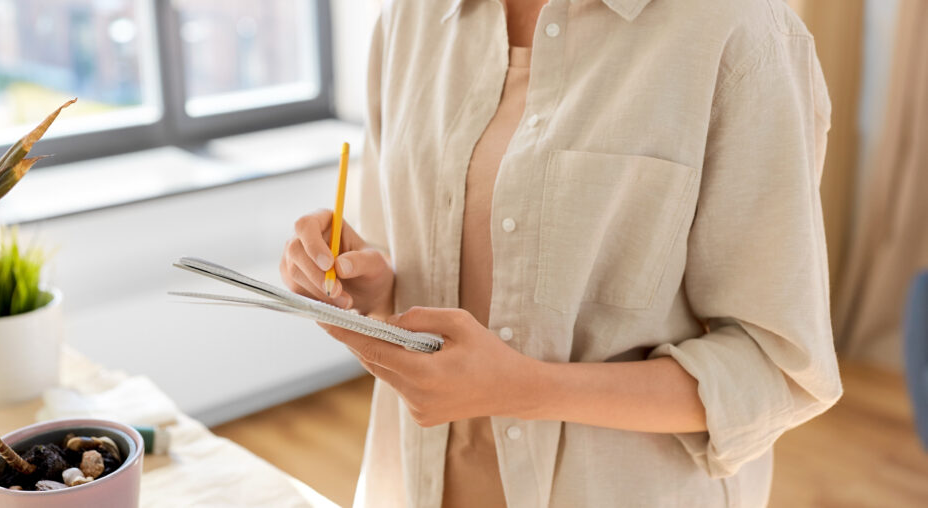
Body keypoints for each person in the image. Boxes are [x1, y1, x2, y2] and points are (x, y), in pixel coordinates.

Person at [278, 0, 843, 506]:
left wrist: (523, 388)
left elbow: (775, 366)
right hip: (409, 483)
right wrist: (370, 286)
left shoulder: (740, 32)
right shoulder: (410, 17)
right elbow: (398, 255)